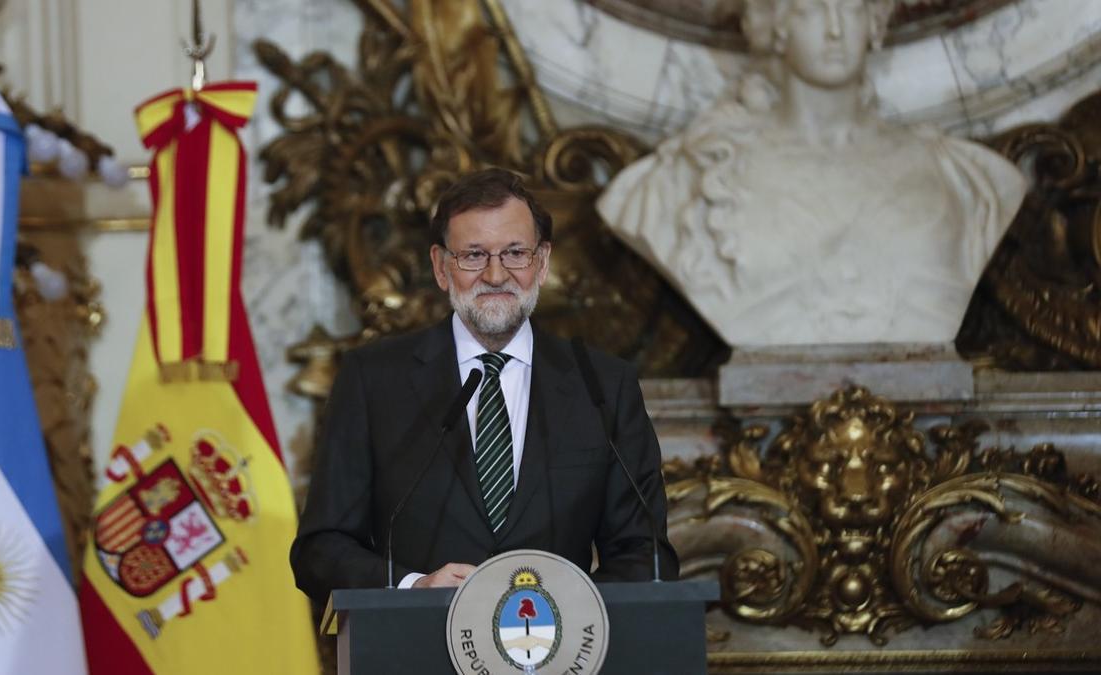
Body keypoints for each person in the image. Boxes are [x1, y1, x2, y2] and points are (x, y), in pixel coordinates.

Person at [291, 168, 678, 604]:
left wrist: (562, 604)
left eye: (515, 252)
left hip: (562, 659)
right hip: (418, 649)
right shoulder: (374, 379)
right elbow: (320, 551)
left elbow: (647, 554)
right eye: (473, 255)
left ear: (542, 262)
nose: (496, 275)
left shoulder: (604, 385)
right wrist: (414, 587)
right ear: (441, 267)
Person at [597, 0, 1025, 348]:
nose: (835, 29)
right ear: (776, 24)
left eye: (853, 8)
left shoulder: (964, 177)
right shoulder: (690, 178)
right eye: (812, 9)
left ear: (876, 22)